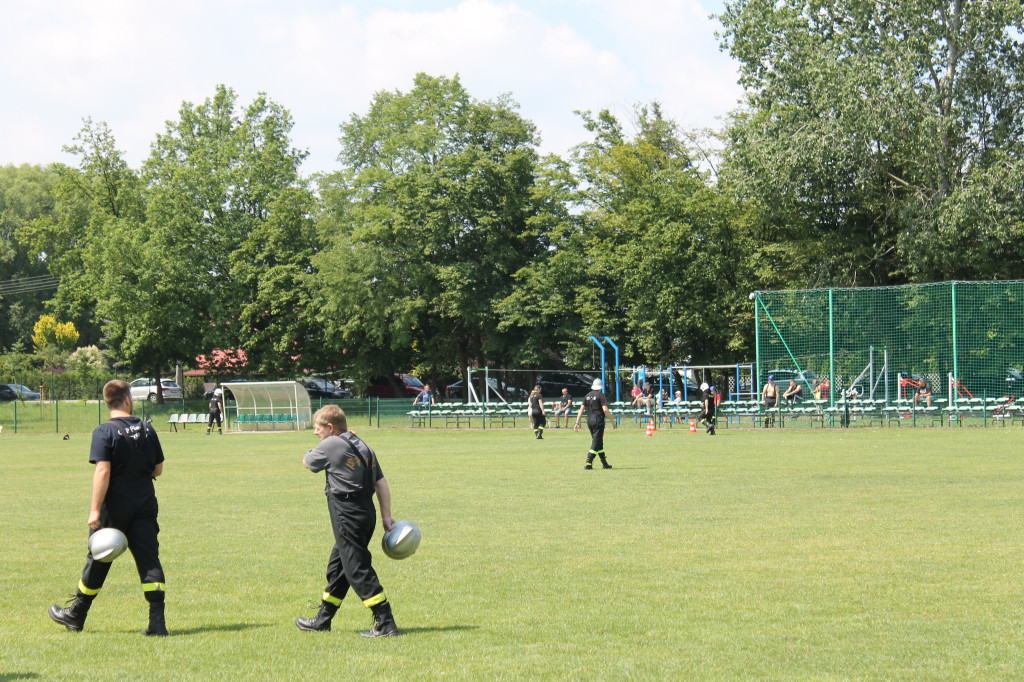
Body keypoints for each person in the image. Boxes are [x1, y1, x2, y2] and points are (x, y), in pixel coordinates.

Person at [48, 379, 168, 635]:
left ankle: (76, 614)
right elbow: (158, 469)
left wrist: (94, 510)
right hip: (145, 504)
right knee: (149, 560)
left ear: (108, 402)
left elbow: (103, 472)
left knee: (99, 558)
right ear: (127, 400)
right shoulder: (148, 429)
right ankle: (157, 623)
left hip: (114, 509)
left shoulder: (104, 432)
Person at [295, 405, 398, 637]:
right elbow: (381, 483)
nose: (315, 433)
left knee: (356, 569)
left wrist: (319, 447)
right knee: (339, 568)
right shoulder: (364, 445)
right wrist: (386, 517)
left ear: (330, 427)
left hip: (347, 513)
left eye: (318, 428)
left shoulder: (331, 443)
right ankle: (323, 619)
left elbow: (307, 462)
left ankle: (386, 622)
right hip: (366, 512)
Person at [574, 379, 617, 469]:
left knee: (599, 442)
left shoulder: (587, 395)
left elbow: (581, 410)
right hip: (598, 420)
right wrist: (613, 421)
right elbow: (605, 409)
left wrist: (577, 422)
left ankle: (605, 463)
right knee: (596, 442)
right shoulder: (601, 395)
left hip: (589, 420)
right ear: (601, 387)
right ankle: (588, 462)